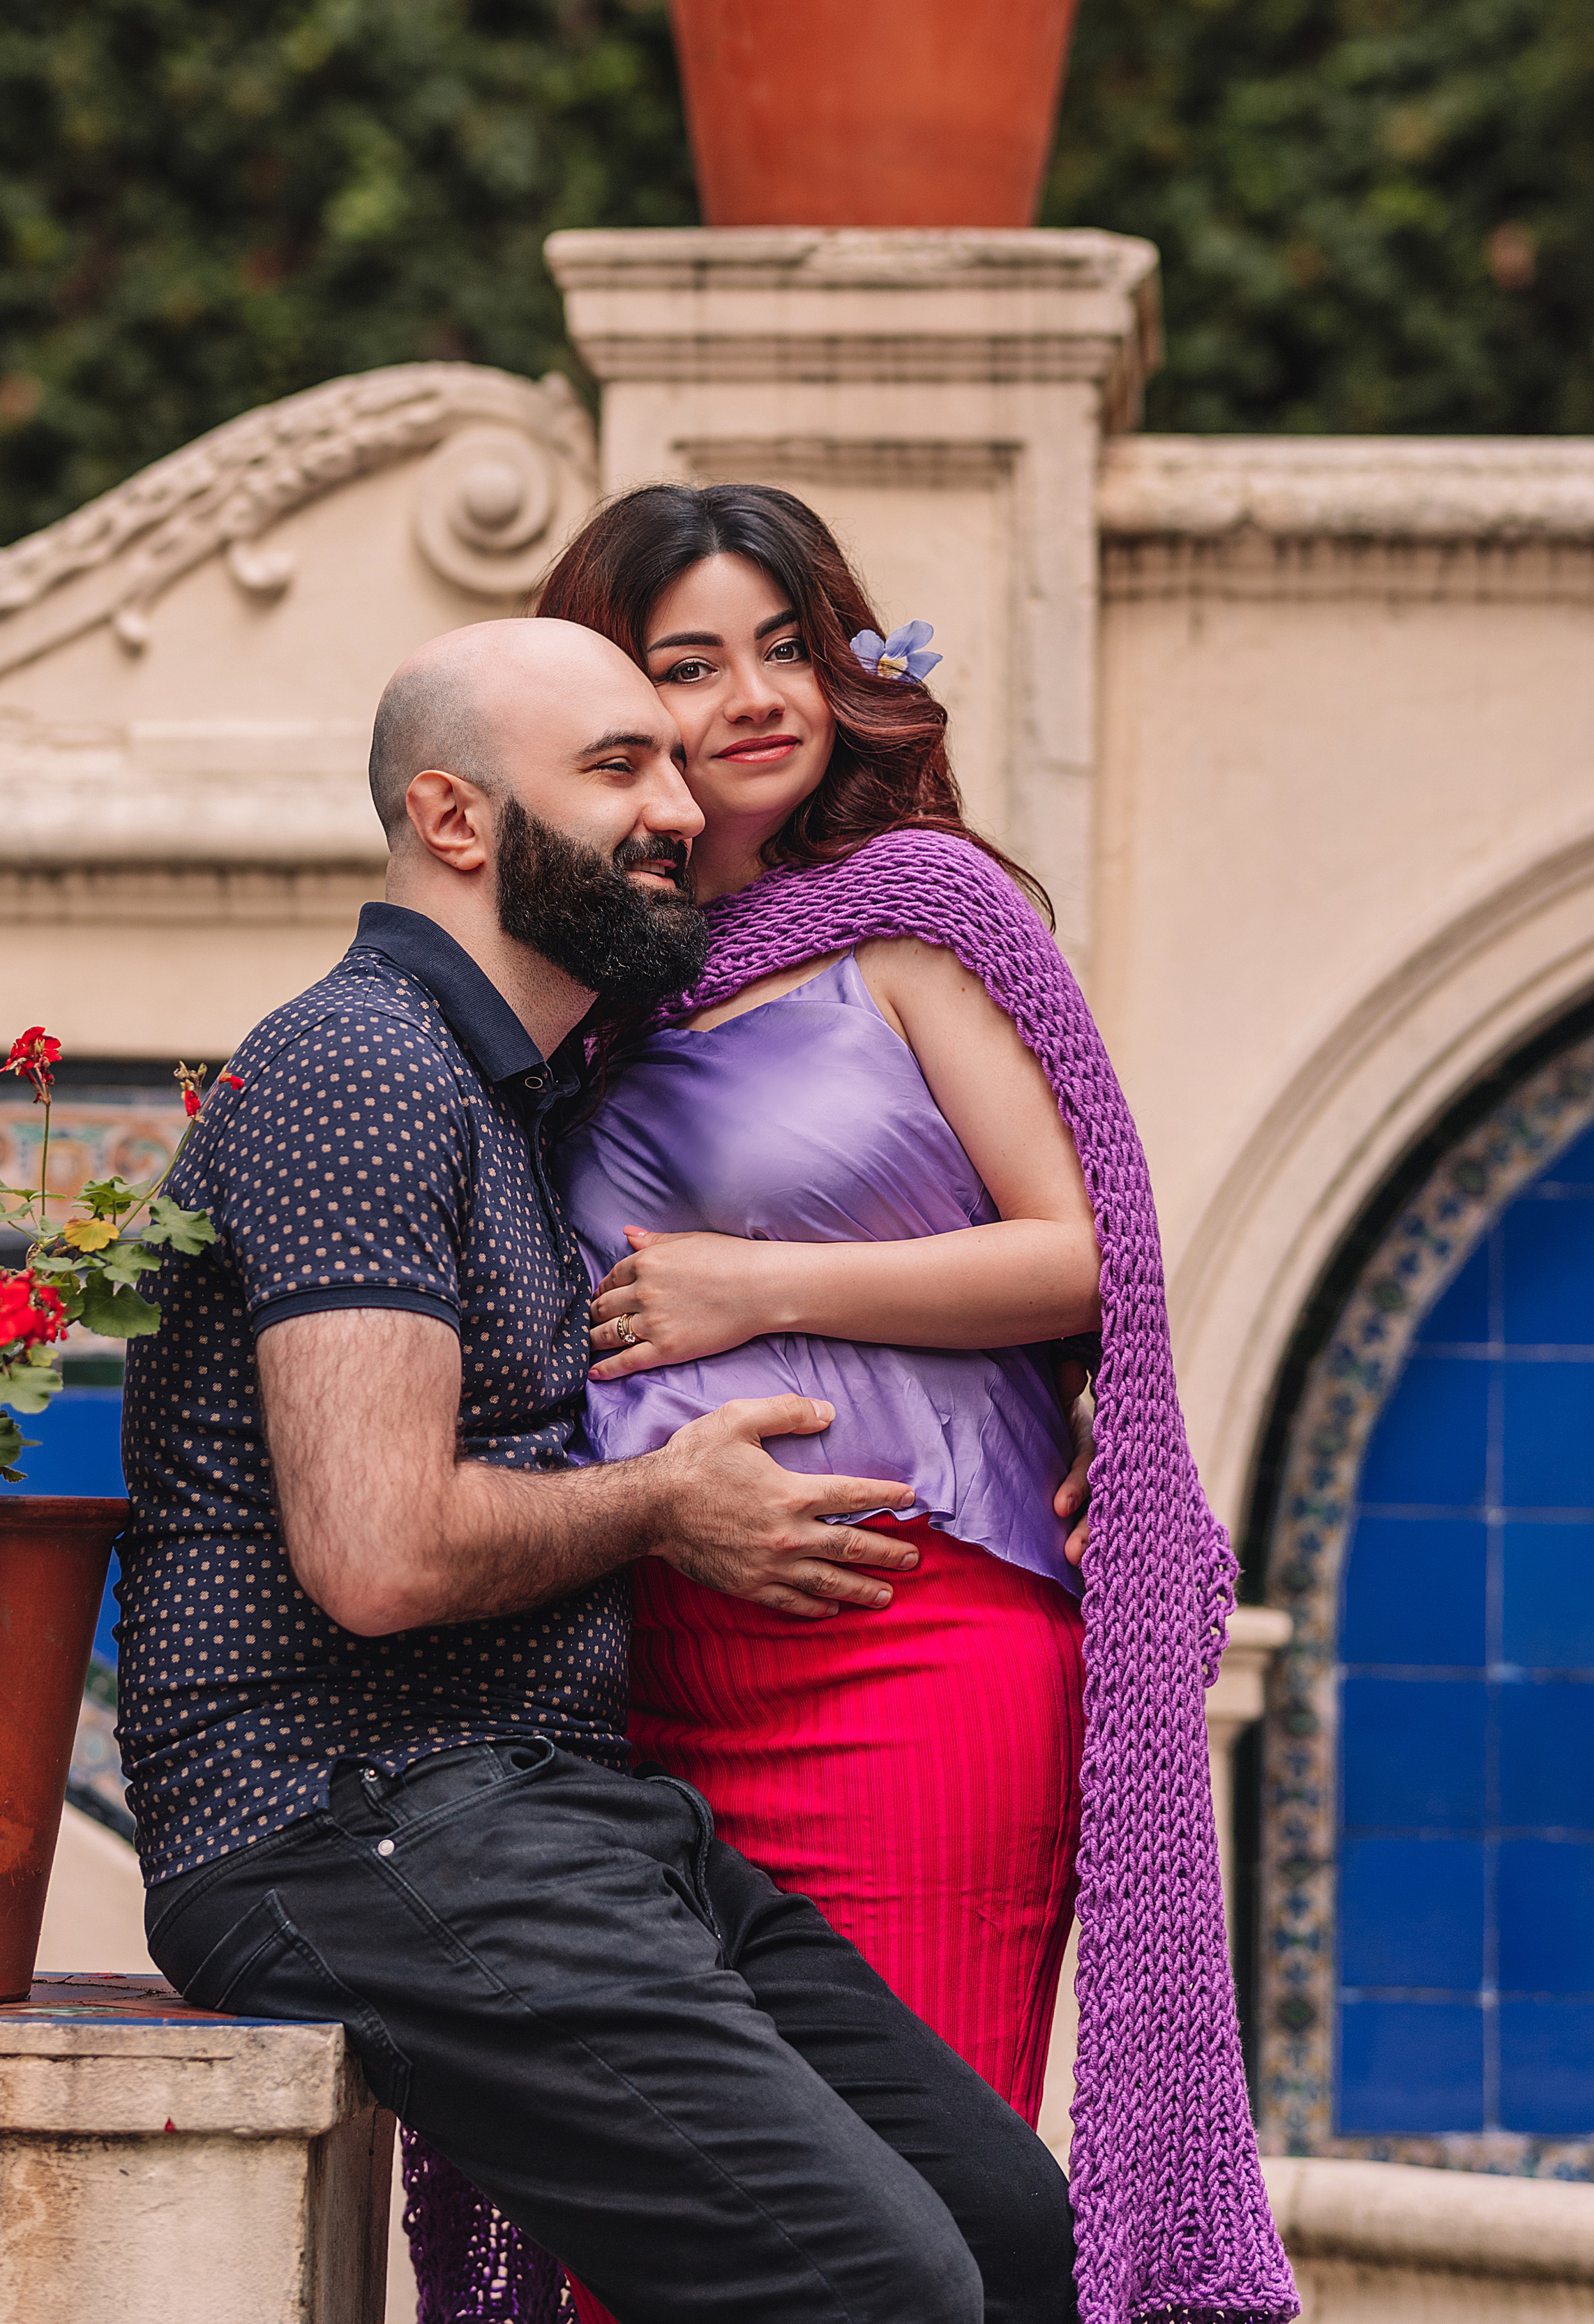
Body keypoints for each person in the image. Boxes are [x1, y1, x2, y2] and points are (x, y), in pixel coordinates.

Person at [114, 615, 1081, 2324]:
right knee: (878, 2283)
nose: (677, 809)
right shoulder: (359, 1074)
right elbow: (377, 1551)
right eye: (617, 767)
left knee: (1003, 2229)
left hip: (556, 1814)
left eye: (671, 763)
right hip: (344, 1824)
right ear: (456, 818)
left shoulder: (513, 1099)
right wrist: (666, 1504)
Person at [534, 488, 1297, 2324]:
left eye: (786, 647)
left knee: (897, 2229)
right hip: (647, 1693)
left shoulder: (912, 918)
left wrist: (749, 1281)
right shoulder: (567, 999)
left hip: (914, 1657)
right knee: (649, 2234)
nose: (756, 697)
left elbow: (1082, 1254)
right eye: (692, 663)